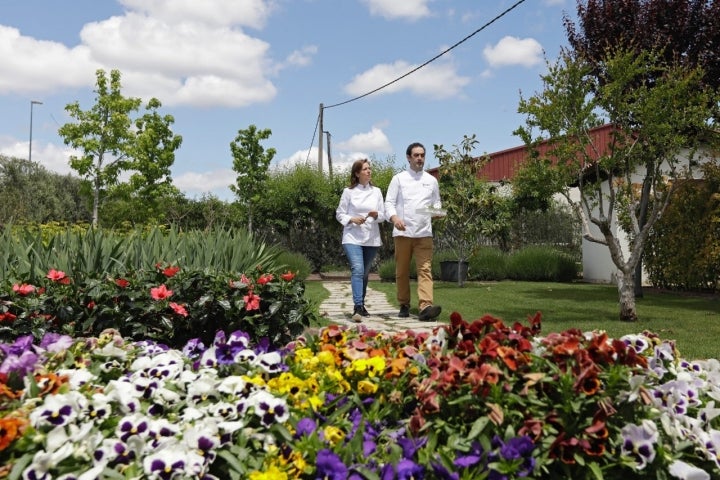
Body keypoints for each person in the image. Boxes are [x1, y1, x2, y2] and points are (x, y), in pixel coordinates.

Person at [384, 142, 443, 321]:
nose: (420, 158)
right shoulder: (399, 179)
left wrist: (436, 212)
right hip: (403, 233)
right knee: (402, 271)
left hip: (424, 233)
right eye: (416, 155)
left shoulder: (431, 181)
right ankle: (404, 304)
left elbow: (437, 204)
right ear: (408, 157)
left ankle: (426, 306)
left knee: (425, 270)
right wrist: (395, 219)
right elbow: (389, 203)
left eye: (422, 155)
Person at [336, 158, 386, 322]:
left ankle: (361, 305)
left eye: (369, 168)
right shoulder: (348, 192)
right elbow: (340, 214)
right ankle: (357, 306)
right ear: (357, 174)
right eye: (365, 169)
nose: (369, 171)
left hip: (371, 238)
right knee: (357, 269)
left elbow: (383, 215)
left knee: (364, 273)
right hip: (352, 236)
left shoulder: (377, 191)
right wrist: (351, 219)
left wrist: (376, 215)